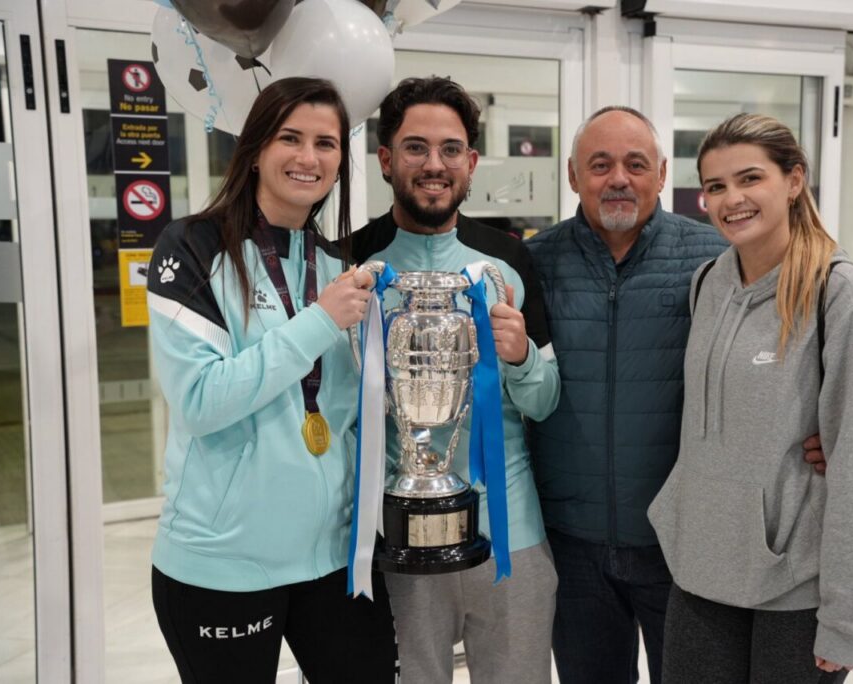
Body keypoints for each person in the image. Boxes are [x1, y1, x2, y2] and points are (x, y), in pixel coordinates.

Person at [146, 77, 397, 683]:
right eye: (291, 137)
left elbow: (346, 411)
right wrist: (317, 321)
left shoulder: (337, 265)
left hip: (337, 560)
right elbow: (201, 402)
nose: (308, 158)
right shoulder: (191, 246)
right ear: (256, 146)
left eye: (326, 144)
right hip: (223, 565)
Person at [648, 113, 853, 683]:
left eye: (749, 178)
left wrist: (849, 617)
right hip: (700, 572)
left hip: (793, 586)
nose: (731, 198)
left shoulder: (841, 293)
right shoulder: (708, 282)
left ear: (793, 180)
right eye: (715, 186)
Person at [349, 76, 561, 684]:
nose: (433, 165)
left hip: (511, 537)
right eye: (415, 148)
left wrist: (521, 358)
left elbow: (545, 403)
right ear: (386, 159)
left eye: (450, 149)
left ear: (471, 162)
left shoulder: (509, 260)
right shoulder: (347, 261)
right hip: (395, 539)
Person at [524, 106, 728, 683]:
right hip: (571, 545)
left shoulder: (712, 261)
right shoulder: (533, 264)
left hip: (680, 546)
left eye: (635, 164)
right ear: (572, 176)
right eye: (600, 164)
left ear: (662, 175)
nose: (618, 178)